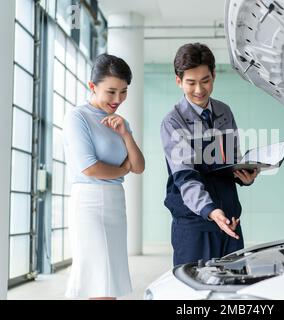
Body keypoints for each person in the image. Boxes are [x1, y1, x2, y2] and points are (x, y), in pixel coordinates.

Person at [160, 43, 258, 266]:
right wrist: (211, 211)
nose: (198, 90)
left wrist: (244, 175)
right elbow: (186, 177)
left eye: (205, 80)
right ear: (178, 81)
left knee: (233, 285)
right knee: (193, 292)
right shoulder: (173, 122)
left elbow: (231, 158)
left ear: (214, 75)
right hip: (195, 224)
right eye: (190, 82)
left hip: (230, 218)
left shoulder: (224, 111)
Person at [63, 53, 145, 299]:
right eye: (111, 92)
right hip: (88, 202)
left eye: (123, 91)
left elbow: (139, 166)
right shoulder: (78, 117)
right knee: (98, 279)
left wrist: (126, 134)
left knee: (110, 280)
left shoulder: (121, 122)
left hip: (114, 202)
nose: (118, 99)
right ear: (92, 86)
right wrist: (122, 170)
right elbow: (89, 167)